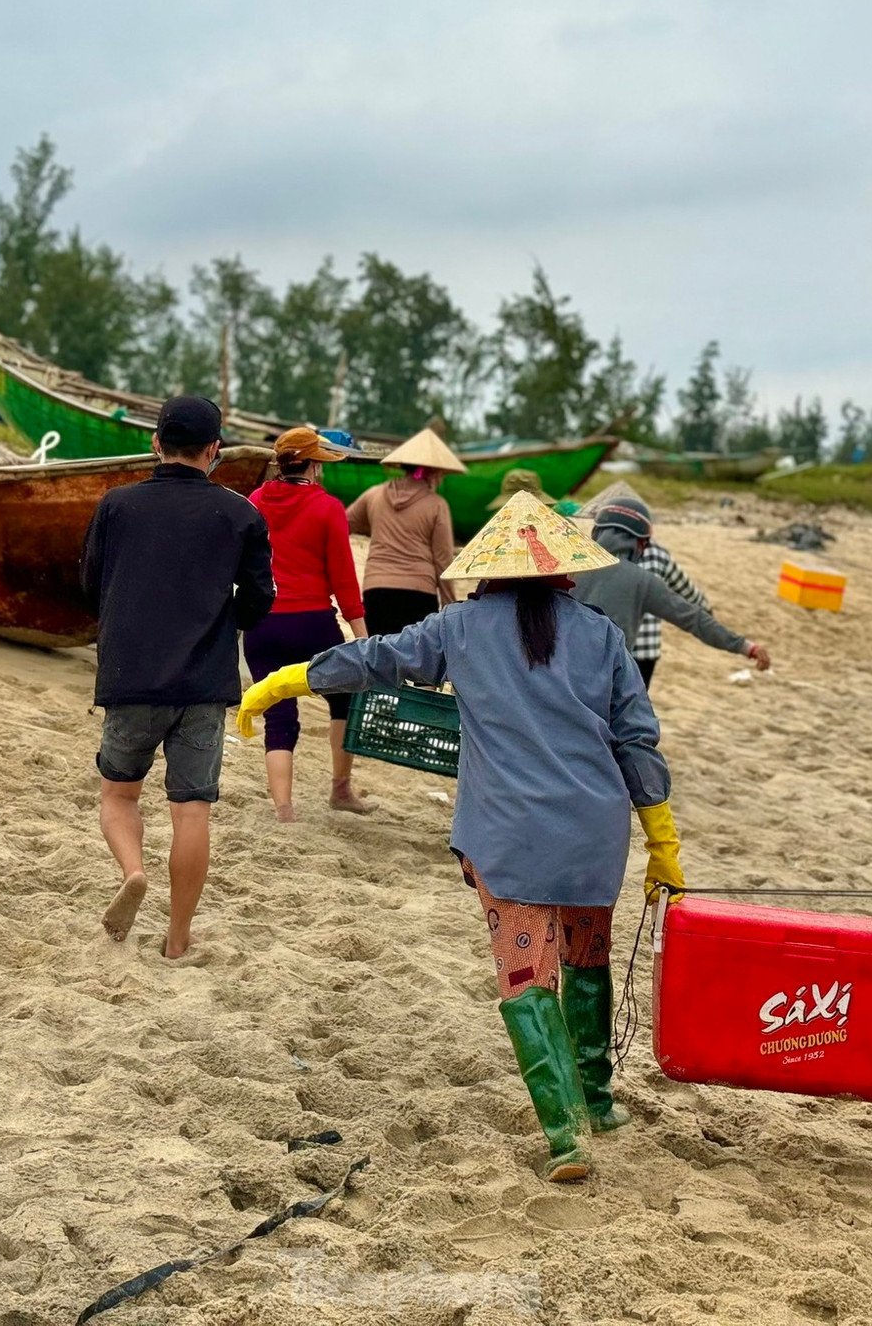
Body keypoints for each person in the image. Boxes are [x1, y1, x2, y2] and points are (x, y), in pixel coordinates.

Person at [236, 493, 684, 1184]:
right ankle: (598, 1099)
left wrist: (286, 681)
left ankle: (566, 1136)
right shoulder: (601, 637)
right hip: (593, 833)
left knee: (527, 978)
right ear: (566, 571)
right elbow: (637, 741)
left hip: (507, 836)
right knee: (586, 957)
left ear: (488, 571)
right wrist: (664, 844)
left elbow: (377, 660)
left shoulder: (461, 627)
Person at [79, 396, 275, 959]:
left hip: (131, 674)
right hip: (205, 682)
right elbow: (260, 597)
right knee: (191, 810)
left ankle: (133, 870)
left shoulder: (116, 505)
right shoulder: (240, 514)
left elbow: (92, 583)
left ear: (156, 443)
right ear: (214, 450)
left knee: (119, 794)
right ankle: (178, 938)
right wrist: (222, 621)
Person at [244, 426, 371, 820]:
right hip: (312, 623)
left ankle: (284, 809)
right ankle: (340, 789)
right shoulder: (327, 507)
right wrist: (362, 636)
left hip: (262, 624)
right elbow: (344, 578)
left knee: (278, 715)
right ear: (315, 465)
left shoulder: (254, 502)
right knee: (344, 698)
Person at [572, 500, 771, 677]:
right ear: (640, 543)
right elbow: (693, 619)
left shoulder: (569, 566)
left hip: (556, 672)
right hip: (607, 679)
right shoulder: (643, 582)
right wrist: (747, 647)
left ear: (597, 531)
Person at [577, 484, 713, 690]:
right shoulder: (658, 554)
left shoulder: (592, 557)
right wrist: (706, 611)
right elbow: (689, 593)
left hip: (605, 646)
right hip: (647, 651)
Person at [346, 427, 464, 635]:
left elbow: (343, 525)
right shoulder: (437, 505)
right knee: (415, 664)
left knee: (380, 660)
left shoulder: (374, 495)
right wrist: (449, 607)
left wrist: (375, 524)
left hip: (376, 591)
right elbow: (442, 559)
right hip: (419, 595)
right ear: (435, 473)